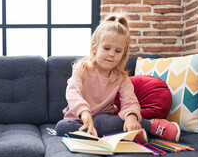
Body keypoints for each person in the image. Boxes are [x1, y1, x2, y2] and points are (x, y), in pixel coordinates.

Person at [55, 14, 180, 144]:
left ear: (123, 54)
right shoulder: (82, 69)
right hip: (79, 118)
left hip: (104, 119)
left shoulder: (121, 78)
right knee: (61, 127)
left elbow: (130, 101)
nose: (111, 54)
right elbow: (72, 91)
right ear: (94, 47)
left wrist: (131, 117)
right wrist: (84, 112)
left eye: (118, 51)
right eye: (107, 48)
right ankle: (128, 133)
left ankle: (149, 125)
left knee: (101, 122)